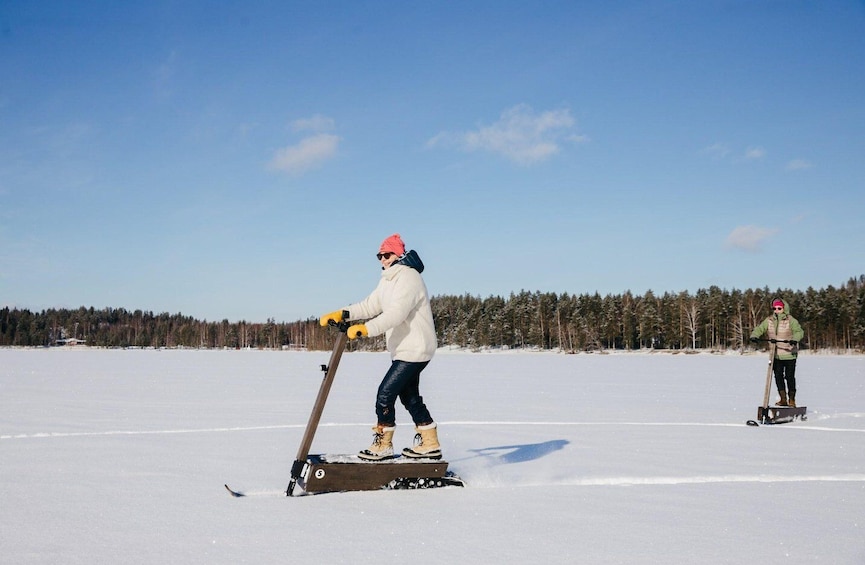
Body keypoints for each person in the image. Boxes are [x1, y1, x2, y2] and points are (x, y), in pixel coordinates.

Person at [319, 233, 441, 461]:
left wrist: (366, 329)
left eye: (387, 254)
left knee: (385, 394)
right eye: (379, 255)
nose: (383, 259)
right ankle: (430, 442)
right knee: (409, 396)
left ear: (399, 254)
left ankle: (384, 445)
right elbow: (370, 305)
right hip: (404, 349)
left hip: (416, 347)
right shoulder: (388, 279)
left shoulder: (409, 278)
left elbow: (396, 313)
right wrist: (343, 313)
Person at [750, 298, 805, 407]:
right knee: (777, 376)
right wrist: (754, 336)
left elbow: (799, 331)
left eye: (779, 308)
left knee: (789, 377)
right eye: (774, 308)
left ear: (784, 308)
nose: (776, 310)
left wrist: (795, 339)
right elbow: (760, 328)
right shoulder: (769, 320)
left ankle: (792, 400)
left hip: (789, 354)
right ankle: (783, 399)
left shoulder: (790, 320)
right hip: (775, 354)